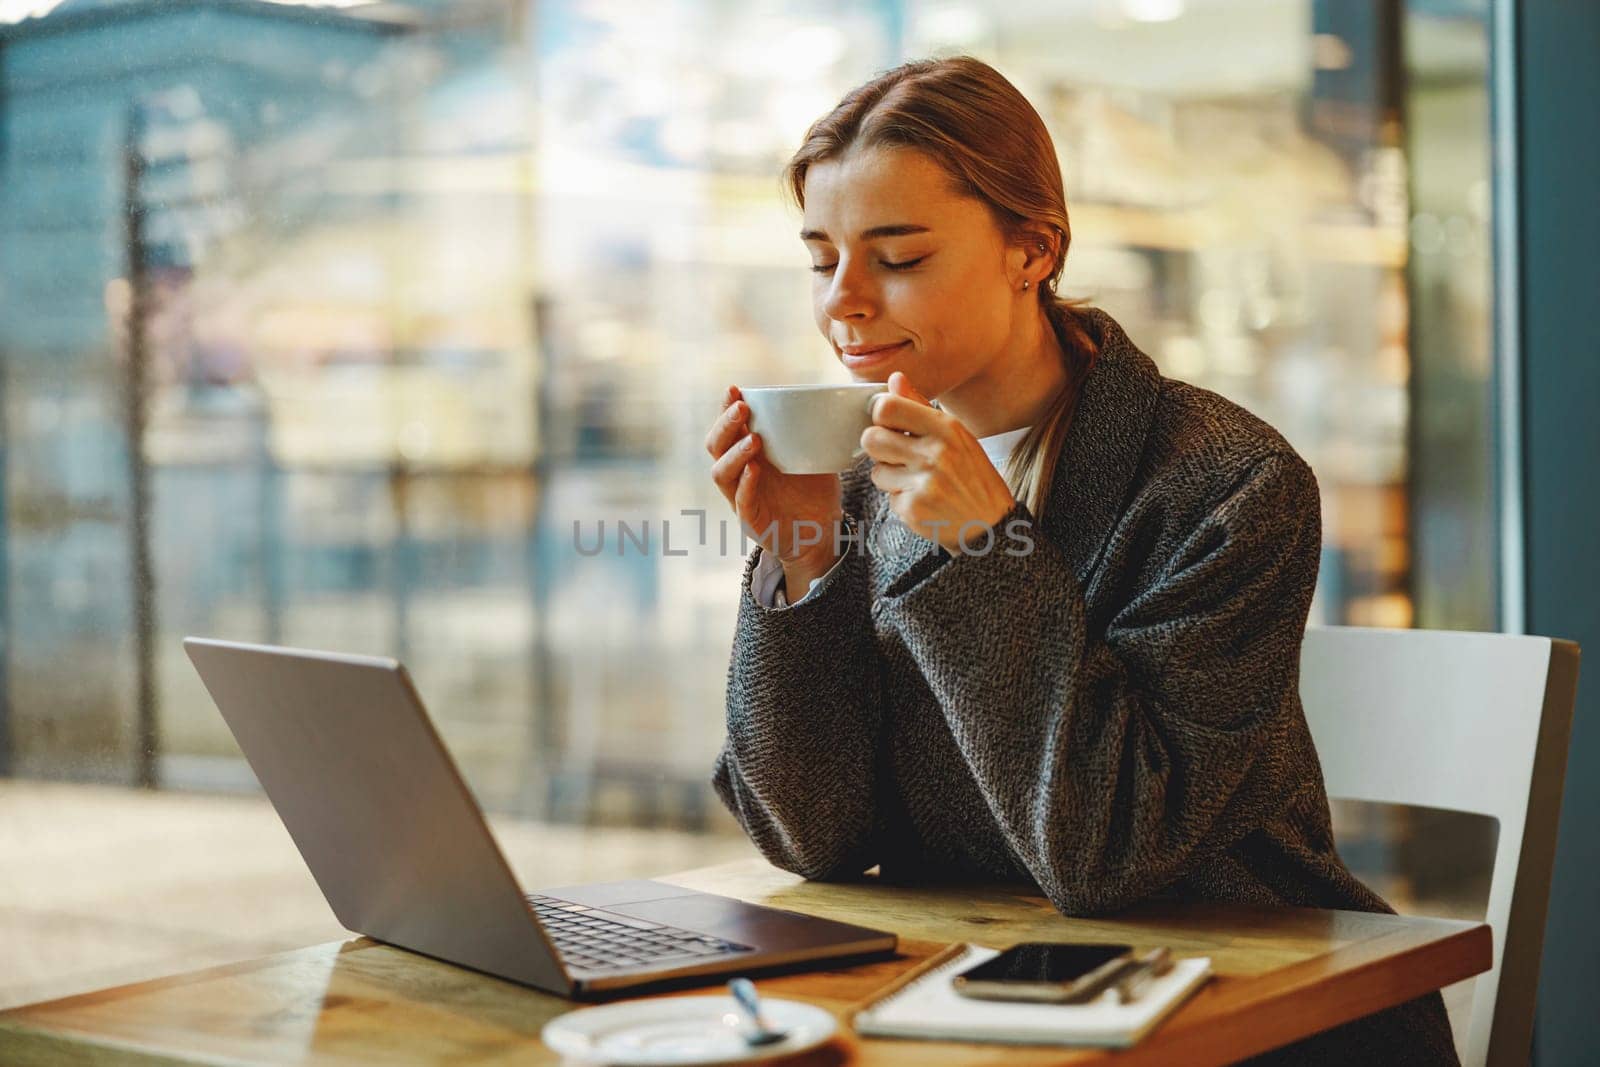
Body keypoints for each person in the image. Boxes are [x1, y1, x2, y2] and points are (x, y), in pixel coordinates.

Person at [702, 56, 1457, 1065]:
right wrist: (800, 564)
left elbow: (1110, 854)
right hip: (970, 1000)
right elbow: (811, 839)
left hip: (1245, 1010)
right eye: (819, 258)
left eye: (897, 257)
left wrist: (984, 547)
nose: (843, 302)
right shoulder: (849, 479)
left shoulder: (1229, 485)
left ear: (1032, 247)